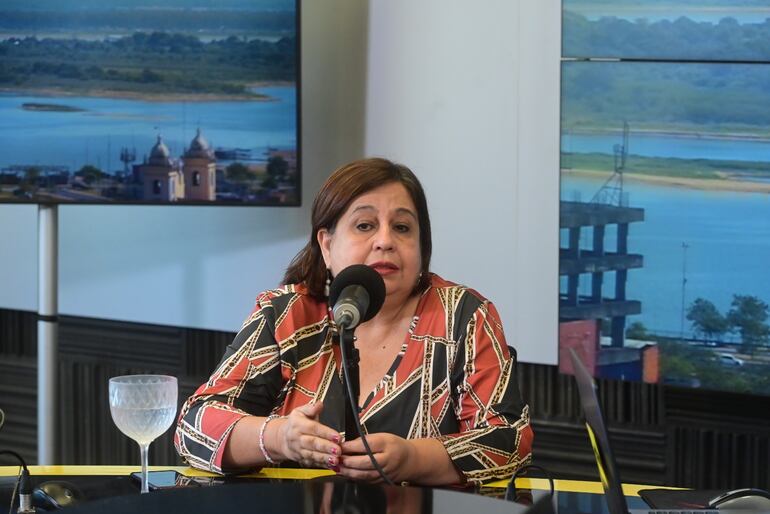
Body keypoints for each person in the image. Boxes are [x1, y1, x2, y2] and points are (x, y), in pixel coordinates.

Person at [174, 157, 533, 485]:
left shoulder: (464, 316)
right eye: (364, 225)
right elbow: (194, 427)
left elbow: (509, 440)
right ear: (327, 245)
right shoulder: (286, 315)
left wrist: (413, 459)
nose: (385, 241)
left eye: (402, 228)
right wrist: (279, 437)